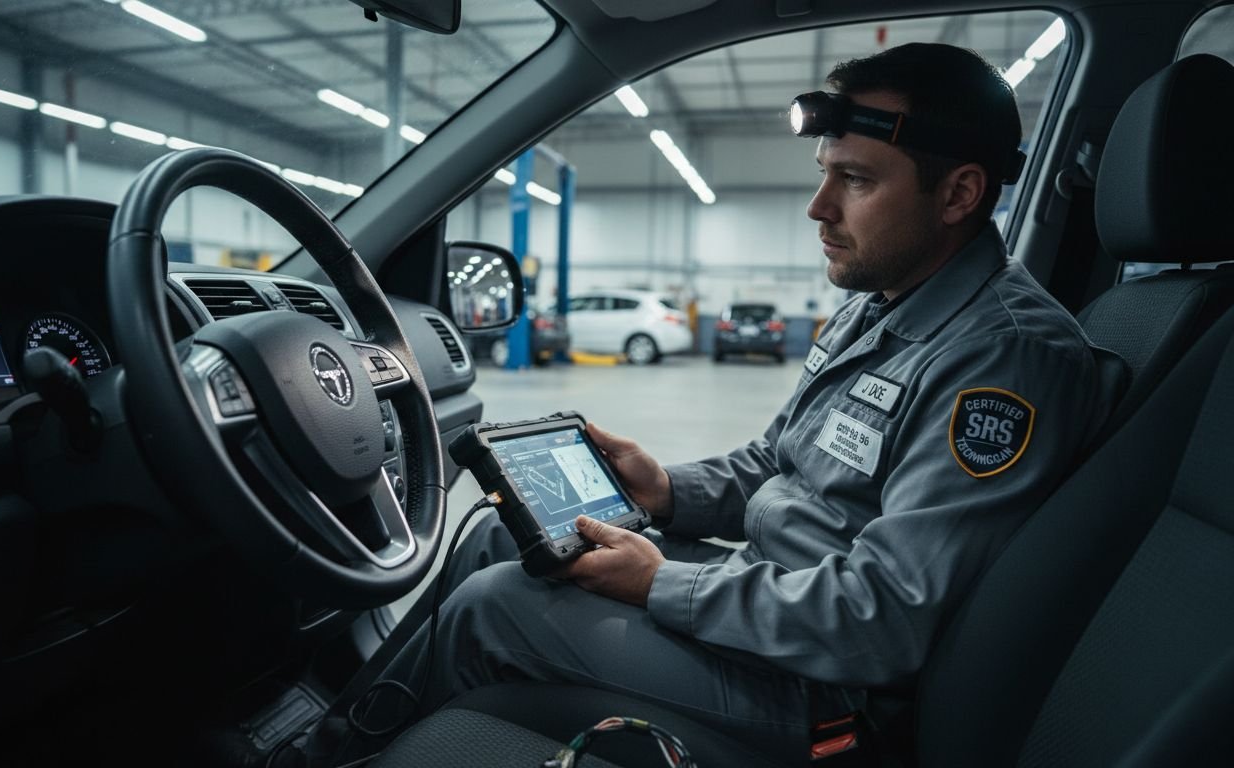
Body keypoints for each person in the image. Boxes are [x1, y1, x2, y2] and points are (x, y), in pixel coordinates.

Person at [358, 42, 1127, 755]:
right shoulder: (885, 299)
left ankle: (347, 752)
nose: (819, 206)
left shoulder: (1005, 356)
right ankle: (365, 726)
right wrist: (665, 490)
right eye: (825, 171)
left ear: (959, 193)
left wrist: (662, 581)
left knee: (496, 603)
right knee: (505, 536)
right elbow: (777, 461)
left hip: (823, 693)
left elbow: (883, 617)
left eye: (855, 179)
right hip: (770, 603)